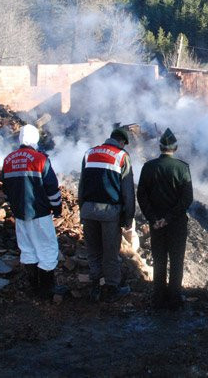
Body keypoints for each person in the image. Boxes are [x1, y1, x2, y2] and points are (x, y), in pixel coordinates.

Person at [2, 124, 68, 300]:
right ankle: (47, 290)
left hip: (20, 214)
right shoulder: (40, 159)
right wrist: (57, 208)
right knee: (47, 249)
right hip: (40, 213)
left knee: (28, 249)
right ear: (35, 139)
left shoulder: (8, 160)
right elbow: (52, 189)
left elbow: (7, 190)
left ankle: (34, 288)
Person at [137, 128, 193, 311]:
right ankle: (175, 298)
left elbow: (141, 196)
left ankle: (158, 298)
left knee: (159, 260)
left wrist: (154, 219)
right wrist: (168, 218)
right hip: (176, 224)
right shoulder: (182, 168)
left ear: (160, 147)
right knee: (176, 261)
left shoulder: (148, 167)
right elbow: (187, 199)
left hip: (156, 224)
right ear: (175, 148)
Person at [79, 127, 135, 302]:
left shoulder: (89, 153)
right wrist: (128, 217)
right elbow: (128, 192)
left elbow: (81, 186)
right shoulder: (121, 156)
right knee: (110, 253)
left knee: (93, 251)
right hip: (110, 212)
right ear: (122, 142)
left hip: (88, 210)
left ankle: (95, 286)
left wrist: (83, 209)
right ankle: (111, 287)